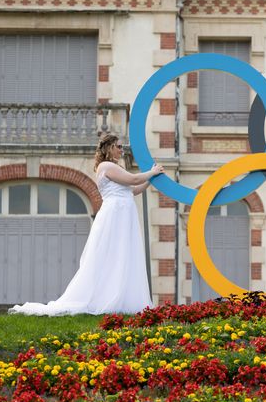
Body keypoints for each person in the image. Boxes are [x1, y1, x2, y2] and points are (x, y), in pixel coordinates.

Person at [9, 134, 164, 316]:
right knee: (112, 254)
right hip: (115, 216)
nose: (121, 150)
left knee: (123, 254)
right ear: (109, 148)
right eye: (118, 147)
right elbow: (132, 180)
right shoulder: (106, 166)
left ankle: (122, 296)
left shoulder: (114, 168)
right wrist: (151, 172)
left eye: (121, 147)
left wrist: (150, 180)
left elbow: (134, 189)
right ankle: (103, 297)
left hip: (123, 215)